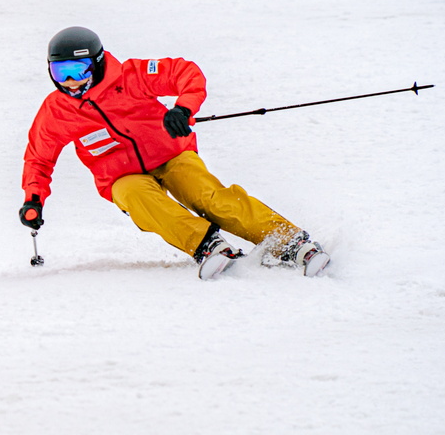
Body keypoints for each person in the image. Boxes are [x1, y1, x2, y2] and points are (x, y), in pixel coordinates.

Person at [18, 26, 330, 279]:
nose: (71, 82)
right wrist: (33, 199)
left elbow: (186, 72)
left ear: (97, 63)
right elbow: (39, 158)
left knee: (207, 196)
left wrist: (183, 108)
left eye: (77, 69)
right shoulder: (56, 111)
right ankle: (208, 246)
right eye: (61, 73)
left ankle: (292, 243)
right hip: (122, 176)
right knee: (138, 197)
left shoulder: (133, 76)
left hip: (171, 155)